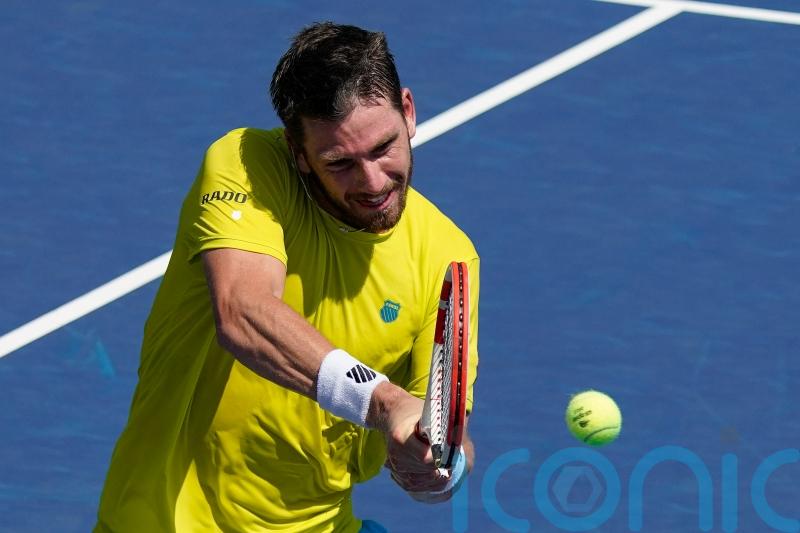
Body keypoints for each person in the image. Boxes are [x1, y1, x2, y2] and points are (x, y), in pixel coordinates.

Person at [95, 21, 479, 532]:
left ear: (408, 111)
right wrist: (383, 402)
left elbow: (446, 428)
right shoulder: (249, 165)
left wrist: (437, 466)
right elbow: (243, 312)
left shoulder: (448, 253)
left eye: (383, 147)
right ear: (299, 154)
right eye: (340, 163)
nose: (372, 181)